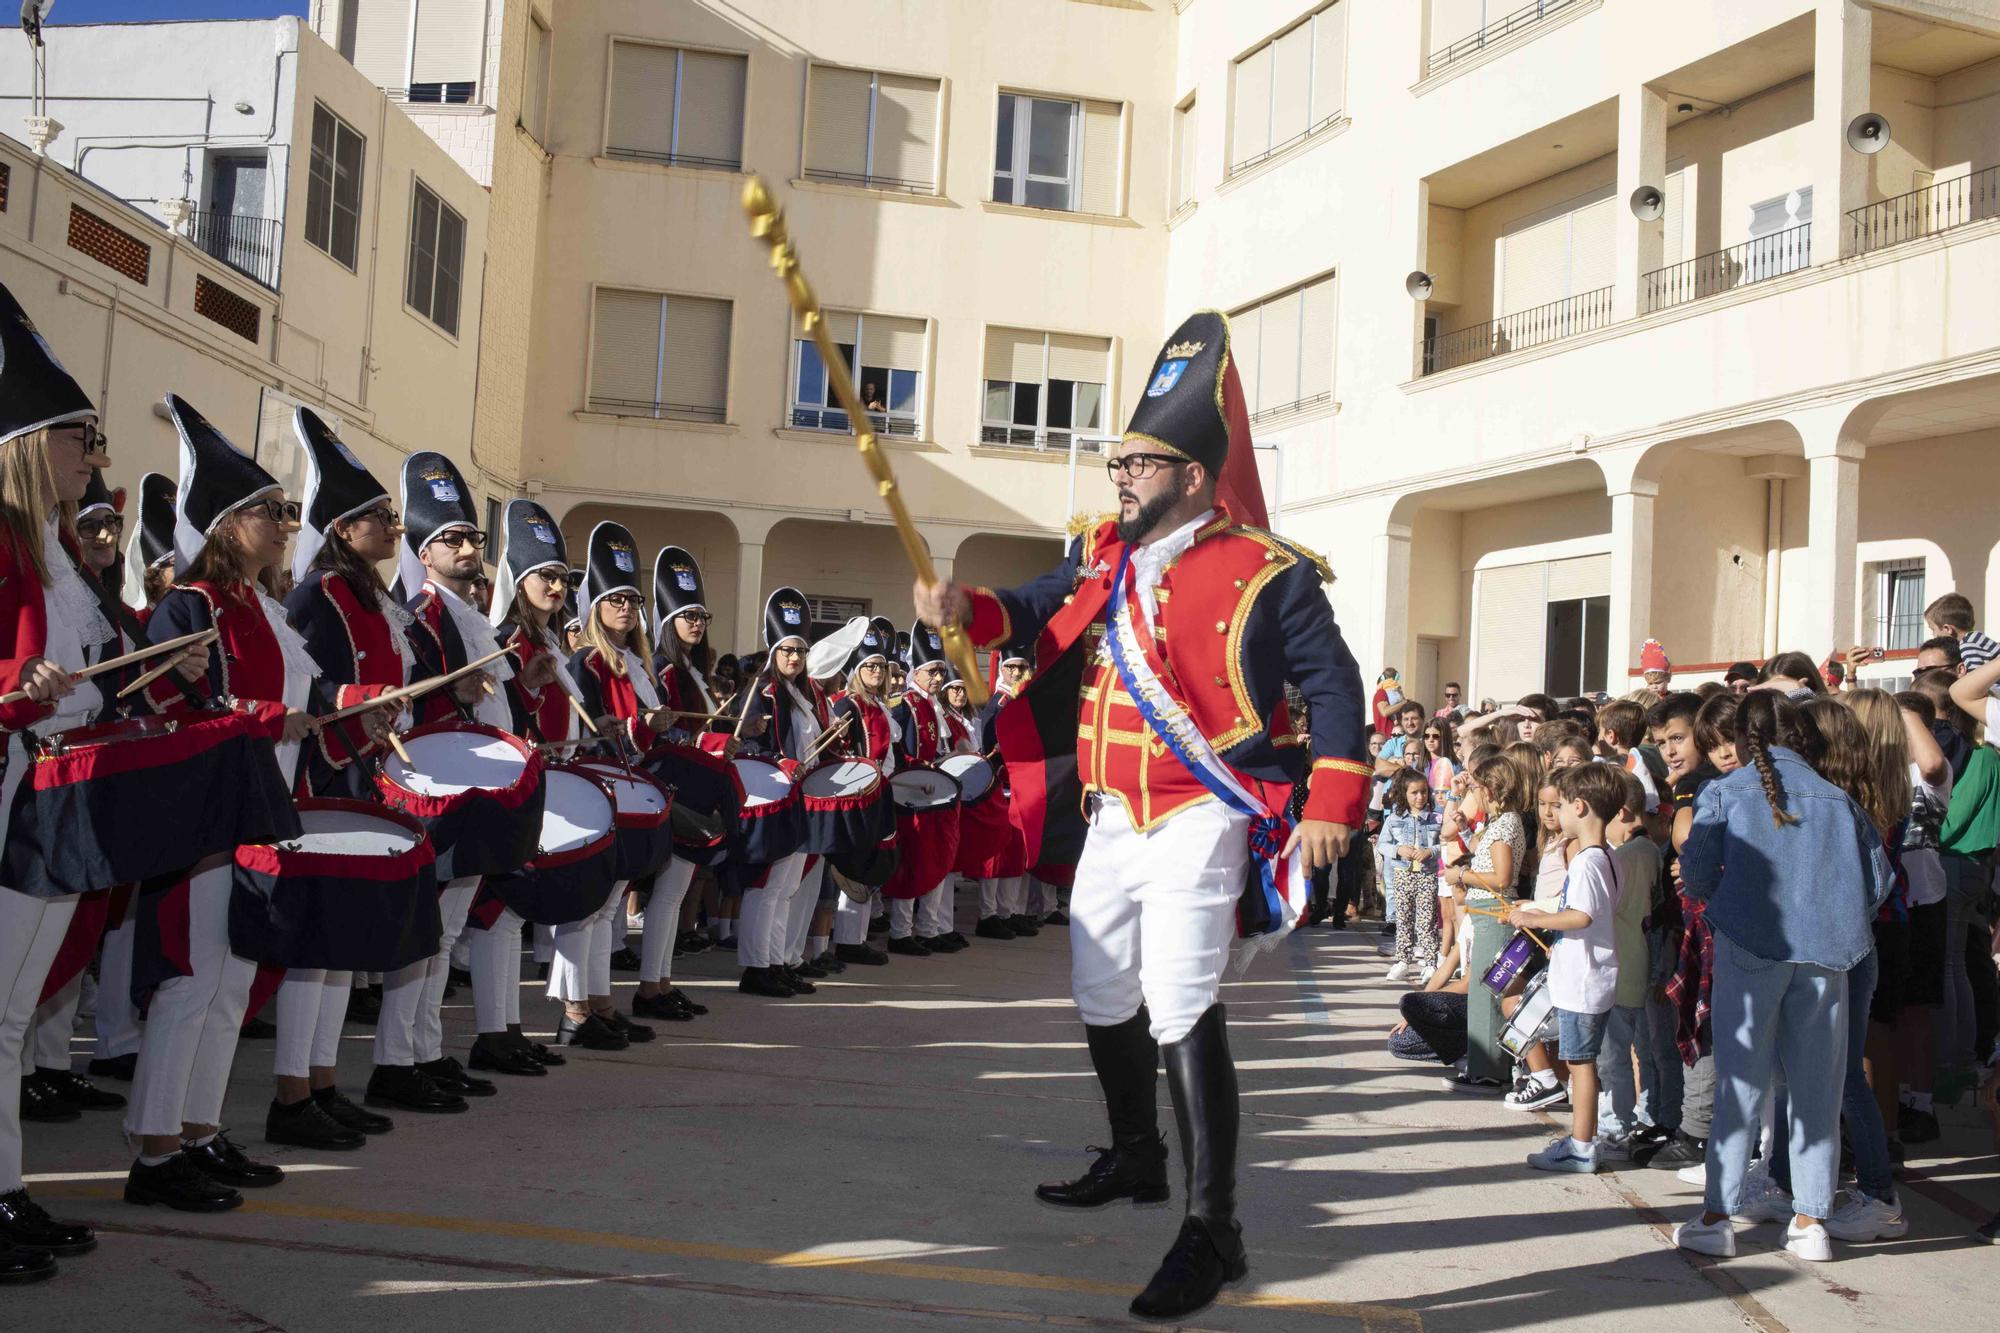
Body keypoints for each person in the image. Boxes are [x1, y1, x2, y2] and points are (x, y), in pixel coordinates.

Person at [914, 311, 1368, 1320]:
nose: (1118, 474)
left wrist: (1334, 796)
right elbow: (1028, 607)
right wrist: (963, 606)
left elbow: (1333, 687)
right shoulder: (1100, 556)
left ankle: (1213, 1229)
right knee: (1097, 983)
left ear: (1194, 476)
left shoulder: (1266, 570)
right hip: (1114, 809)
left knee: (1176, 998)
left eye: (1139, 461)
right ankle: (1135, 1154)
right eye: (1117, 459)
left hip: (1206, 808)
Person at [125, 395, 321, 1212]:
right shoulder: (191, 605)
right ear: (222, 524)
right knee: (191, 977)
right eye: (267, 511)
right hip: (208, 811)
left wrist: (354, 702)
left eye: (285, 510)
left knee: (232, 980)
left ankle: (200, 1129)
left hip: (260, 803)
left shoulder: (261, 604)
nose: (284, 522)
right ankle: (155, 1150)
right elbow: (170, 705)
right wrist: (276, 719)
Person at [1672, 691, 1891, 1262]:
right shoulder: (1836, 796)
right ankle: (1809, 1221)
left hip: (1751, 946)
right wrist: (1833, 915)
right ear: (1797, 734)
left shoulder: (1725, 791)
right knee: (1817, 1090)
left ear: (1744, 737)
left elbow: (1693, 874)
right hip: (1826, 953)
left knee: (1740, 1087)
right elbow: (1878, 879)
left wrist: (1726, 902)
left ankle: (1717, 1218)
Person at [0, 285, 116, 1274]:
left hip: (36, 780)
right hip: (11, 775)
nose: (91, 454)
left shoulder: (42, 544)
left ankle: (5, 1189)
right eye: (80, 438)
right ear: (34, 441)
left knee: (5, 1015)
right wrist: (13, 682)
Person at [273, 407, 413, 1144]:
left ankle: (322, 1082)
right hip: (325, 775)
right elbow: (302, 683)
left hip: (364, 771)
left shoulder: (370, 596)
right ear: (340, 529)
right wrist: (348, 703)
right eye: (376, 518)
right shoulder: (316, 595)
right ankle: (291, 1095)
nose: (392, 527)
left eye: (390, 516)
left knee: (340, 945)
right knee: (317, 943)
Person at [381, 451, 513, 1108]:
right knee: (426, 927)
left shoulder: (469, 612)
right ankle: (393, 1058)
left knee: (448, 929)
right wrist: (453, 692)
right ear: (424, 551)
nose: (467, 548)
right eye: (452, 539)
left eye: (473, 539)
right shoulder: (421, 613)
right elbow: (406, 702)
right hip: (439, 787)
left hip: (476, 785)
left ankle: (426, 1047)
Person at [558, 521, 665, 1042]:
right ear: (595, 605)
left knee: (606, 908)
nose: (626, 607)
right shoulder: (586, 661)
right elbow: (586, 728)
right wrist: (634, 727)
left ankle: (599, 1002)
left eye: (632, 600)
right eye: (614, 598)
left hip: (630, 787)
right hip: (597, 788)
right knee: (587, 906)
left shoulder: (636, 664)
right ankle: (574, 1012)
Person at [488, 498, 581, 1068]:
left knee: (515, 911)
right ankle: (494, 1031)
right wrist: (526, 683)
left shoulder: (553, 641)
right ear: (520, 583)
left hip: (552, 773)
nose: (557, 586)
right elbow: (502, 714)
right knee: (502, 911)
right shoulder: (507, 638)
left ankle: (509, 1027)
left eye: (564, 579)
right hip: (521, 778)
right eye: (546, 576)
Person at [1506, 762, 1626, 1172]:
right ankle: (1581, 1138)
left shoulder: (1589, 861)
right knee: (1580, 1061)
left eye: (1562, 806)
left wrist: (1536, 920)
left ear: (1580, 806)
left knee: (1579, 1064)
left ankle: (1581, 1144)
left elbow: (1582, 916)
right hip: (1588, 974)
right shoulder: (1608, 857)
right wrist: (1540, 908)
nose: (1557, 815)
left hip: (1583, 980)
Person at [735, 587, 837, 993]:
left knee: (786, 888)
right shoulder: (762, 692)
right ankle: (756, 968)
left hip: (802, 798)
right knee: (767, 886)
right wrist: (779, 760)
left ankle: (776, 961)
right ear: (773, 652)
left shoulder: (805, 694)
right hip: (772, 800)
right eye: (786, 650)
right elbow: (747, 749)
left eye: (800, 650)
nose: (794, 657)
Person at [1439, 754, 1533, 1092]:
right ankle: (1483, 1065)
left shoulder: (1507, 823)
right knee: (1483, 989)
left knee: (1489, 991)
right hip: (1485, 916)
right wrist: (1466, 829)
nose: (1474, 794)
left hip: (1495, 913)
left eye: (1476, 788)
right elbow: (1485, 849)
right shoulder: (1499, 823)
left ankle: (1490, 1068)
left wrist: (1462, 874)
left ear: (1491, 790)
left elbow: (1503, 875)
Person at [1593, 771, 1662, 1154]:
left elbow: (1609, 909)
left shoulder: (1630, 855)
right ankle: (1643, 1114)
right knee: (1640, 1050)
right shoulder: (1647, 851)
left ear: (1620, 813)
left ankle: (1617, 1121)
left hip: (1624, 963)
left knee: (1613, 1053)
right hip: (1635, 960)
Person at [826, 616, 900, 966]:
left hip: (879, 793)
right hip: (856, 796)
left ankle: (855, 936)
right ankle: (845, 940)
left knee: (871, 866)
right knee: (853, 868)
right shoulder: (846, 704)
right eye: (870, 665)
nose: (877, 671)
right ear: (856, 668)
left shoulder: (877, 704)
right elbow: (837, 751)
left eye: (881, 666)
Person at [1381, 770, 1442, 981]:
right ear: (1403, 794)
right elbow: (1383, 844)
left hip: (1427, 875)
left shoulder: (1436, 818)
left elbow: (1443, 844)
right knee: (1404, 918)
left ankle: (1431, 962)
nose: (1420, 797)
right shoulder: (1394, 819)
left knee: (1426, 921)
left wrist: (1430, 851)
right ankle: (1403, 960)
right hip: (1402, 874)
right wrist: (1398, 850)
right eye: (1414, 792)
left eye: (1424, 792)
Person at [1926, 591, 1997, 680]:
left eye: (1933, 629)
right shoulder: (1978, 638)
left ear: (1947, 629)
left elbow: (1977, 679)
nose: (1933, 634)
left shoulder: (1967, 646)